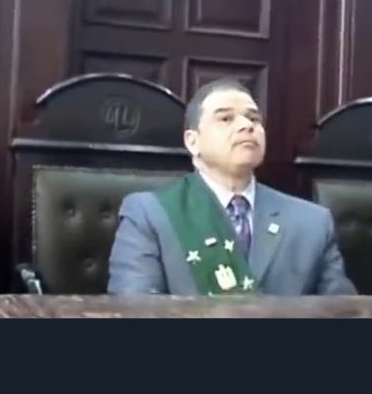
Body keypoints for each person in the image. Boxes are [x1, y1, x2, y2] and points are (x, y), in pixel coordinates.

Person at [108, 79, 356, 296]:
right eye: (226, 118)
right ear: (193, 142)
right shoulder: (149, 214)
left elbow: (344, 312)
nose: (247, 126)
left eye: (254, 119)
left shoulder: (313, 222)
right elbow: (135, 311)